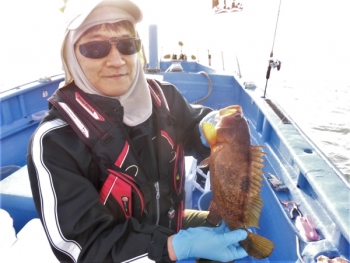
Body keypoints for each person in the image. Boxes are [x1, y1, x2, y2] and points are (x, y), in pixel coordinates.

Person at [27, 0, 249, 262]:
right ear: (71, 55)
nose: (117, 60)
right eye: (95, 47)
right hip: (124, 252)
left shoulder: (164, 97)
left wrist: (210, 130)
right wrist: (175, 247)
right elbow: (85, 247)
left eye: (127, 44)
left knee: (239, 236)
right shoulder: (55, 141)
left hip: (168, 223)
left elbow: (191, 127)